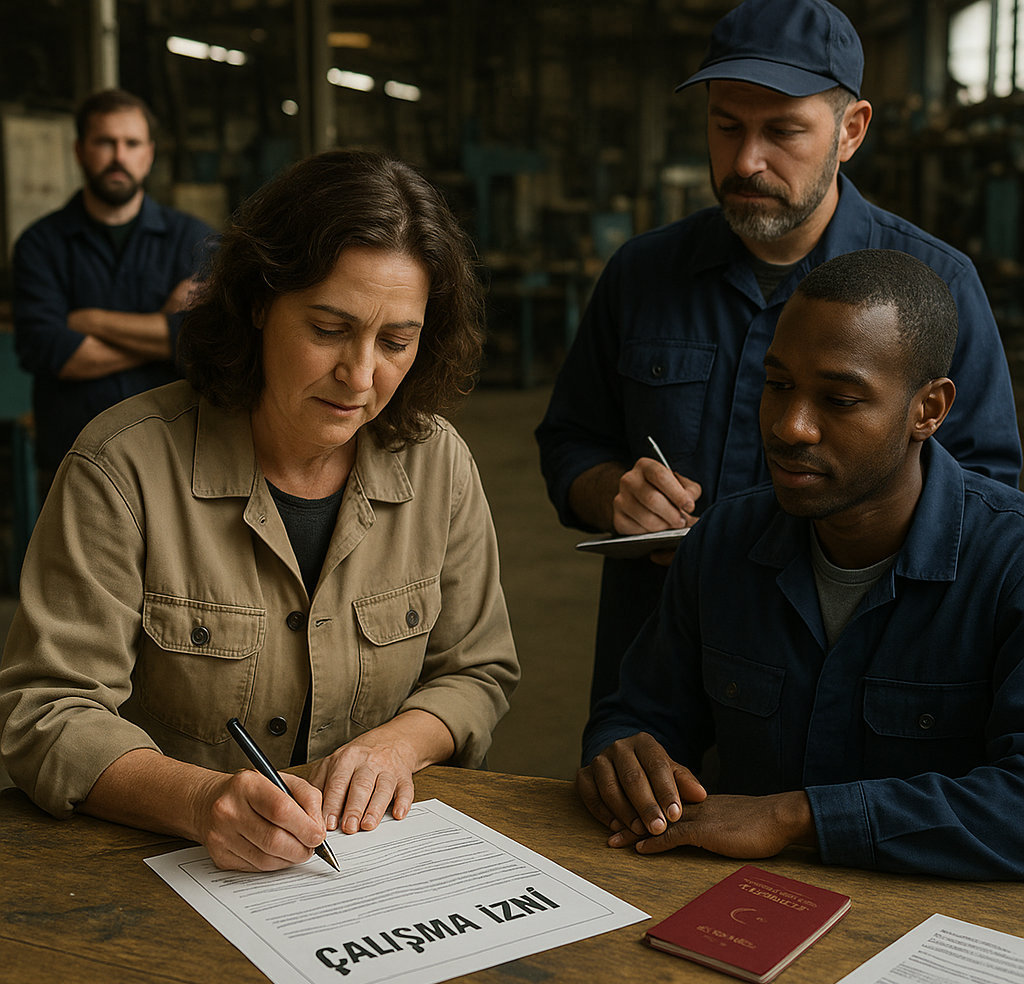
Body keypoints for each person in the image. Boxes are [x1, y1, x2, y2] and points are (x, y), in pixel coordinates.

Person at [0, 149, 520, 873]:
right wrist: (198, 799)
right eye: (329, 330)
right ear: (257, 303)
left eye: (396, 341)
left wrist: (396, 743)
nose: (361, 375)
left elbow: (478, 670)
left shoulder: (439, 466)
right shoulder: (121, 468)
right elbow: (46, 710)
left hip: (369, 875)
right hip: (159, 877)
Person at [535, 0, 1022, 711]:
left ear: (850, 131)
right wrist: (613, 492)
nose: (745, 161)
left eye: (783, 131)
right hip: (657, 680)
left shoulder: (933, 286)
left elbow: (986, 497)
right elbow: (568, 442)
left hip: (846, 678)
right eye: (726, 126)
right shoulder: (643, 275)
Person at [576, 248, 1024, 881]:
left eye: (839, 400)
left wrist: (795, 818)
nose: (791, 427)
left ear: (928, 410)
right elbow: (637, 713)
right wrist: (623, 755)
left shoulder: (1009, 565)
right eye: (778, 384)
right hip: (740, 913)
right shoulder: (722, 542)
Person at [13, 88, 213, 477]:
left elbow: (209, 340)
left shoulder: (196, 242)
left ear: (149, 154)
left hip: (176, 457)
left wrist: (90, 322)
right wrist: (166, 335)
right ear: (79, 150)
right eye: (105, 142)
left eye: (131, 143)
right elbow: (58, 353)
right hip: (73, 459)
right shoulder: (39, 245)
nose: (119, 156)